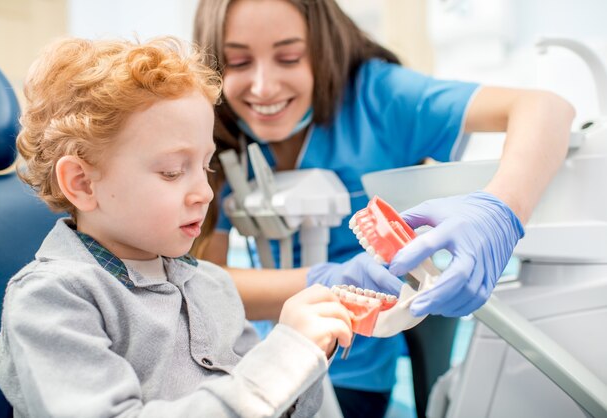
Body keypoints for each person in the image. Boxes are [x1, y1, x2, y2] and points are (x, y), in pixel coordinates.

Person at [192, 0, 575, 417]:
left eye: (289, 57)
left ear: (323, 46)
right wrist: (326, 281)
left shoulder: (378, 97)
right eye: (238, 61)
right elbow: (204, 283)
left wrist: (500, 210)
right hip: (259, 364)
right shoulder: (212, 126)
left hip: (353, 374)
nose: (263, 87)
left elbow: (546, 108)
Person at [0, 36, 356, 418]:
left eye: (206, 166)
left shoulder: (212, 287)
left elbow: (276, 406)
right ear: (82, 183)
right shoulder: (52, 301)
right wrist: (284, 360)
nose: (203, 192)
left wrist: (307, 356)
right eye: (171, 172)